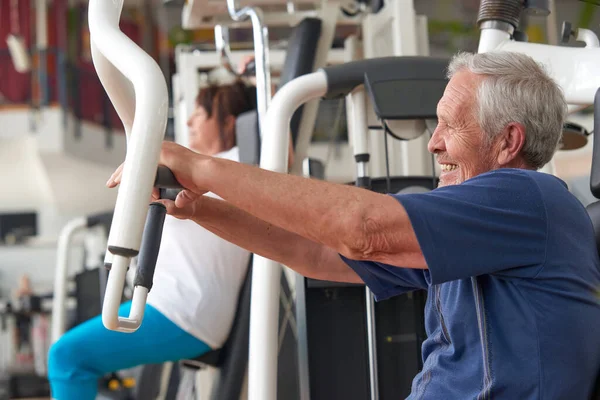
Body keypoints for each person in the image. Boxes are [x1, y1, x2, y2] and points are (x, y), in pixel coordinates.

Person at [108, 51, 600, 399]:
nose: (433, 143)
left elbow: (363, 229)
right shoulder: (480, 222)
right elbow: (316, 254)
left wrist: (200, 166)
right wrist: (202, 208)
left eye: (451, 124)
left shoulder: (528, 198)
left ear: (508, 141)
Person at [47, 80, 257, 400]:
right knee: (70, 353)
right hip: (172, 305)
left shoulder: (237, 163)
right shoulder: (204, 171)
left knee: (67, 358)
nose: (189, 122)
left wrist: (252, 83)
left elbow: (275, 141)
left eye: (200, 114)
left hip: (186, 312)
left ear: (228, 122)